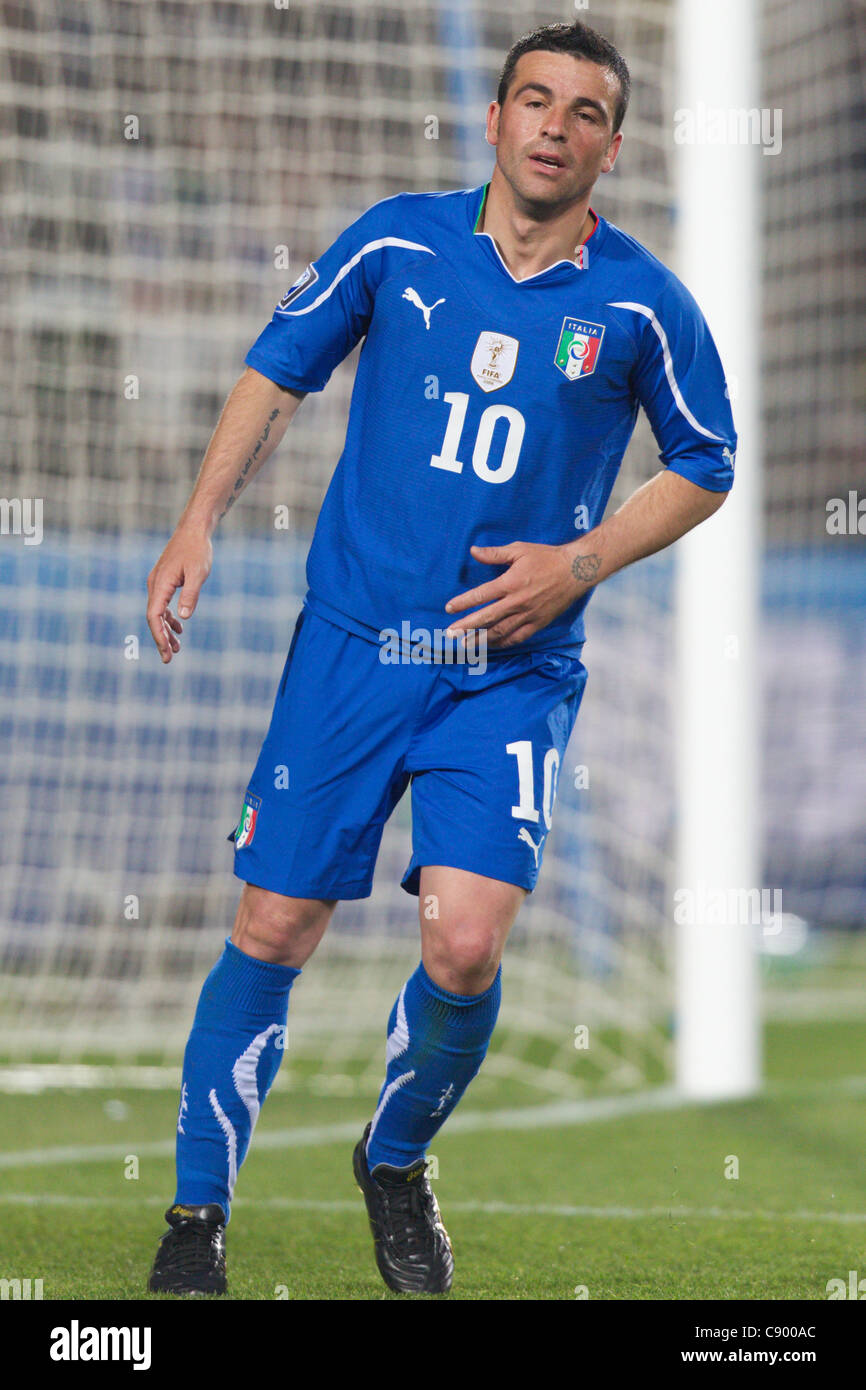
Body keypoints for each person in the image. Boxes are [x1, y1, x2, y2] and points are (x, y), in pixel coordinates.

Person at [145, 19, 736, 1297]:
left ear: (611, 147)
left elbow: (704, 463)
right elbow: (275, 370)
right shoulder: (398, 237)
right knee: (274, 920)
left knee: (463, 943)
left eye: (583, 112)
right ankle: (196, 1224)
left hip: (508, 671)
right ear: (493, 119)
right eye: (533, 100)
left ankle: (395, 1160)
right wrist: (199, 518)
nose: (551, 126)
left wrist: (574, 566)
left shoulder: (641, 301)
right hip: (354, 650)